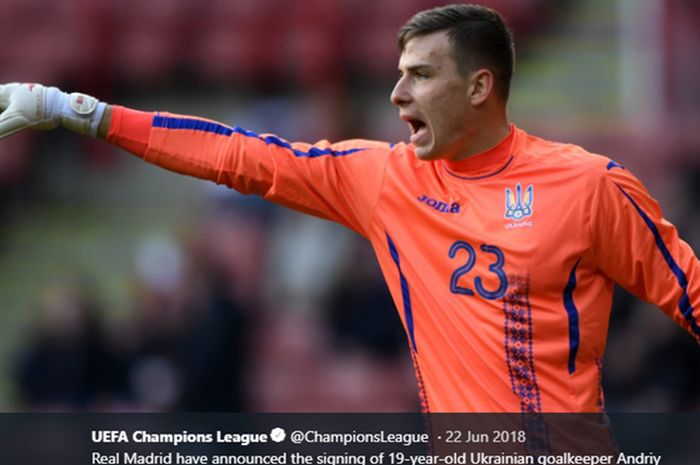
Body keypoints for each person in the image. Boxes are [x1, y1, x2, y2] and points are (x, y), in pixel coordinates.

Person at [0, 3, 697, 413]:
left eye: (420, 76)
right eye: (397, 75)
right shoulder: (384, 179)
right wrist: (84, 113)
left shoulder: (588, 186)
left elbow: (691, 294)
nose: (397, 95)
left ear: (481, 87)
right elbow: (239, 156)